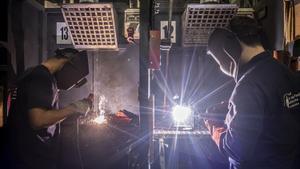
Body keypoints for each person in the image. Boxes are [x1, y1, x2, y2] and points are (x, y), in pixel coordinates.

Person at [205, 16, 300, 169]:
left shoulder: (247, 86)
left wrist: (215, 130)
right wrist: (231, 112)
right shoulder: (285, 72)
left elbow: (237, 149)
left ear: (227, 50)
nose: (221, 68)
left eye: (218, 61)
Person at [5, 48, 92, 169]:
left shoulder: (35, 74)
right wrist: (75, 108)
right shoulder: (42, 78)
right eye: (75, 82)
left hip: (28, 158)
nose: (71, 85)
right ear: (68, 62)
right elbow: (38, 120)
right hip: (29, 161)